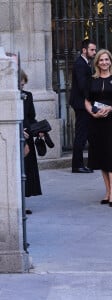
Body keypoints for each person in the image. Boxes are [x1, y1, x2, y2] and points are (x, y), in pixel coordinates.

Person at [85, 49, 112, 207]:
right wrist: (92, 113)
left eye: (107, 60)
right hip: (96, 122)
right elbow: (86, 100)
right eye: (101, 60)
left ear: (111, 61)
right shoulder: (92, 80)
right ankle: (107, 190)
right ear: (97, 62)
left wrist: (111, 108)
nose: (104, 62)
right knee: (101, 155)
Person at [70, 39, 96, 173]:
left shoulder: (84, 63)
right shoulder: (81, 64)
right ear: (84, 50)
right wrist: (90, 99)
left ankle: (82, 164)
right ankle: (77, 165)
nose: (94, 52)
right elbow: (82, 86)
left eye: (95, 50)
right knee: (81, 134)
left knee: (84, 133)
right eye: (92, 50)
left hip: (82, 103)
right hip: (81, 104)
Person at [21, 70, 42, 214]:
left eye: (23, 81)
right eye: (20, 81)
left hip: (28, 135)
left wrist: (39, 130)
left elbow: (31, 117)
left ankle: (23, 202)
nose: (22, 84)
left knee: (26, 170)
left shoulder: (28, 96)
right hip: (14, 136)